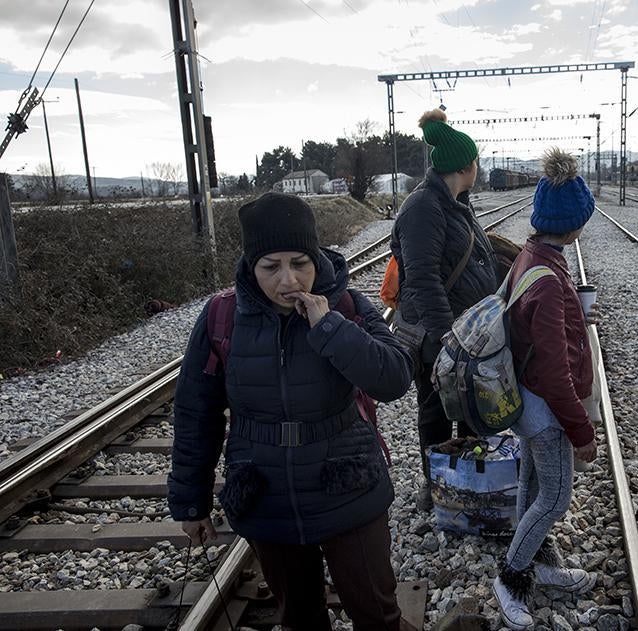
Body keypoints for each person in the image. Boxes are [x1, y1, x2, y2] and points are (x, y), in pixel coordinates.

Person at [168, 193, 415, 631]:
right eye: (271, 266)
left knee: (376, 613)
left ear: (316, 257)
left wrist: (329, 328)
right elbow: (195, 412)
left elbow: (394, 377)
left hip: (348, 485)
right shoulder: (221, 318)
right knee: (298, 617)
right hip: (267, 494)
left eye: (300, 262)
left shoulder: (347, 306)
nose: (288, 280)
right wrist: (191, 501)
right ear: (250, 265)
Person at [492, 148, 599, 630]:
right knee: (554, 498)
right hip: (546, 411)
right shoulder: (551, 281)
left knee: (533, 484)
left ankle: (538, 563)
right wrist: (581, 431)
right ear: (574, 223)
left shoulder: (530, 257)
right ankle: (511, 577)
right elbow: (557, 373)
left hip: (527, 401)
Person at [390, 108, 498, 509]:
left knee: (471, 408)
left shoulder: (455, 202)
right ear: (465, 165)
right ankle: (436, 484)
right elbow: (421, 279)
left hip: (464, 332)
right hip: (440, 334)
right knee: (436, 410)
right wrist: (448, 338)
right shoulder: (424, 208)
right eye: (476, 161)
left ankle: (468, 481)